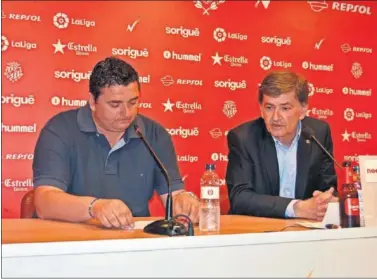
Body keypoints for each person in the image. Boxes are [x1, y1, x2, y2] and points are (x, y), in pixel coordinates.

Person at [33, 57, 199, 229]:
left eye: (133, 102)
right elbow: (44, 202)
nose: (126, 113)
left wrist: (184, 201)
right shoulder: (60, 130)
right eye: (115, 104)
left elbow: (173, 195)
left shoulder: (154, 134)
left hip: (133, 241)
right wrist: (95, 207)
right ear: (92, 101)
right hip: (71, 242)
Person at [225, 71, 337, 221]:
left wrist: (326, 201)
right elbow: (240, 198)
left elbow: (328, 187)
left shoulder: (318, 133)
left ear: (303, 110)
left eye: (285, 108)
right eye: (269, 107)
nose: (276, 117)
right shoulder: (244, 138)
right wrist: (295, 208)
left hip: (304, 231)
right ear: (261, 109)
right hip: (256, 232)